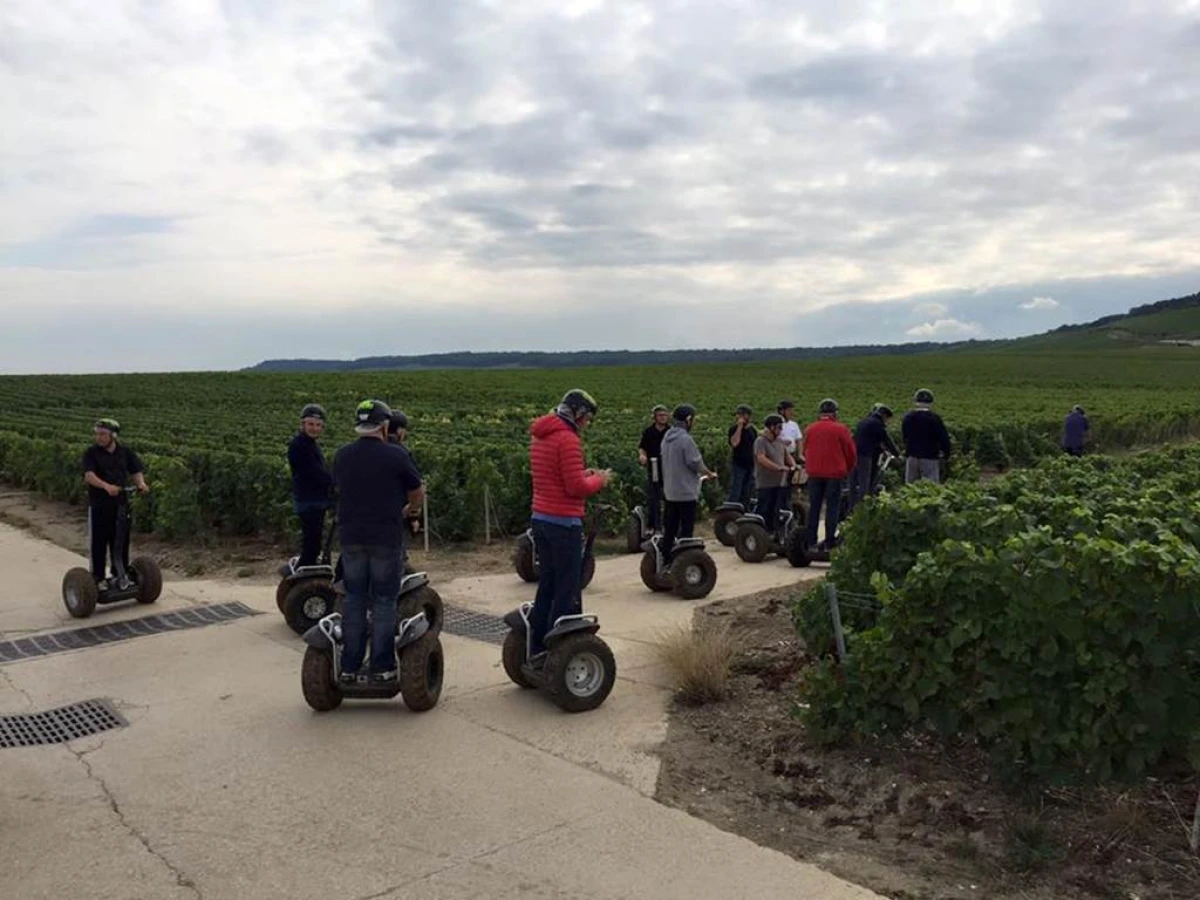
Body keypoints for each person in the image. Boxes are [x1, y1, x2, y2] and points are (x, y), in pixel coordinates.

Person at [332, 399, 425, 685]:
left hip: (350, 537)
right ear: (384, 426)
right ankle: (382, 667)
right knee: (384, 601)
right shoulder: (395, 456)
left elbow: (338, 488)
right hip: (384, 536)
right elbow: (417, 489)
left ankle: (349, 666)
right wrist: (410, 510)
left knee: (355, 599)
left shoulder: (341, 455)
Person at [527, 390, 611, 659]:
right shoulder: (568, 440)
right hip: (563, 522)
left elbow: (556, 477)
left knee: (548, 584)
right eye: (586, 418)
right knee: (568, 586)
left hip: (540, 518)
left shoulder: (541, 436)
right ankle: (562, 649)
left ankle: (537, 644)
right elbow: (575, 487)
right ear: (577, 413)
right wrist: (598, 480)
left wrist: (583, 474)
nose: (587, 424)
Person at [82, 418, 149, 590]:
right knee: (99, 541)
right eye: (97, 434)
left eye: (103, 434)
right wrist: (106, 486)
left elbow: (135, 470)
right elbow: (89, 476)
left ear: (113, 435)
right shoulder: (91, 453)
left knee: (121, 539)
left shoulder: (125, 452)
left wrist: (141, 484)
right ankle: (98, 578)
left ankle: (120, 573)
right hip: (100, 504)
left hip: (121, 503)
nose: (99, 437)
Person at [660, 405, 717, 563]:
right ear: (688, 420)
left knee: (670, 528)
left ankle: (666, 558)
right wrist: (709, 473)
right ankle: (683, 561)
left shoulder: (666, 437)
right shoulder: (685, 439)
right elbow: (695, 463)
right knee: (686, 530)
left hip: (670, 491)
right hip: (685, 492)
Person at [803, 399, 857, 550]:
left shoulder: (810, 429)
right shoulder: (841, 429)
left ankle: (810, 541)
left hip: (814, 472)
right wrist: (847, 468)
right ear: (835, 413)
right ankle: (829, 542)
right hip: (834, 473)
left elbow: (804, 450)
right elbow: (851, 453)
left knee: (814, 507)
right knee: (832, 507)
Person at [287, 404, 333, 568]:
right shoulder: (299, 445)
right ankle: (306, 575)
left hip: (315, 500)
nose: (314, 428)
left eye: (318, 425)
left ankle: (308, 568)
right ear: (302, 424)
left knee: (314, 541)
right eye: (311, 424)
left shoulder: (310, 444)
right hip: (309, 501)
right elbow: (315, 473)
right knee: (311, 545)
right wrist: (335, 482)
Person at [848, 404, 899, 510]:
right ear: (884, 415)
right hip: (864, 455)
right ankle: (863, 508)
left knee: (853, 482)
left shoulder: (864, 421)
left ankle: (850, 507)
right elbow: (887, 440)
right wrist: (897, 454)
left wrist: (881, 450)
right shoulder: (877, 424)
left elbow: (870, 439)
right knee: (864, 483)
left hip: (853, 454)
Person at [753, 414, 794, 534]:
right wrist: (777, 468)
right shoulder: (760, 441)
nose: (781, 430)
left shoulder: (779, 441)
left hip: (780, 482)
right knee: (765, 509)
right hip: (765, 482)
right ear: (771, 427)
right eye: (779, 427)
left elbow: (787, 456)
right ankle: (761, 533)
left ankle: (776, 533)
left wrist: (793, 466)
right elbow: (761, 458)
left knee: (778, 509)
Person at [901, 388, 952, 484]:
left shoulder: (908, 417)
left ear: (915, 401)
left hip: (912, 456)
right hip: (930, 456)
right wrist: (946, 453)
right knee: (930, 486)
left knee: (910, 486)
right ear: (931, 402)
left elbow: (905, 437)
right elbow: (943, 438)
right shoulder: (934, 418)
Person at [637, 405, 670, 534]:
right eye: (660, 415)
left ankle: (669, 525)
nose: (663, 418)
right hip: (654, 466)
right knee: (654, 497)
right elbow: (642, 447)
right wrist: (642, 455)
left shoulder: (670, 431)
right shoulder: (649, 432)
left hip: (668, 467)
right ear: (655, 417)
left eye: (665, 415)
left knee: (669, 497)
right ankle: (654, 526)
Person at [727, 405, 757, 508]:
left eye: (741, 415)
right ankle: (730, 511)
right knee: (736, 490)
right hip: (739, 465)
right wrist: (739, 426)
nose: (738, 417)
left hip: (750, 465)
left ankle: (743, 511)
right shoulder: (733, 429)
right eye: (738, 415)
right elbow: (734, 443)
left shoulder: (752, 430)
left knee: (747, 492)